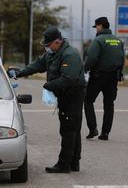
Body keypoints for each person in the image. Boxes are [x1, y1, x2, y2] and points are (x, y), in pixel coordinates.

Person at [8, 26, 85, 173]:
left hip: (73, 94)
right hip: (64, 94)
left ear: (58, 41)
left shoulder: (70, 54)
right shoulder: (53, 53)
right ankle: (73, 162)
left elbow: (69, 78)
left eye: (48, 45)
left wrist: (50, 85)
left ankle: (64, 164)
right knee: (72, 128)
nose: (47, 48)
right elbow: (37, 65)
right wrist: (19, 72)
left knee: (69, 129)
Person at [84, 17, 125, 141]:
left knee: (88, 100)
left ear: (100, 26)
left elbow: (91, 58)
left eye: (96, 26)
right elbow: (122, 59)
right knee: (109, 104)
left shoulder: (98, 40)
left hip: (98, 76)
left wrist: (85, 69)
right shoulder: (118, 41)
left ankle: (93, 128)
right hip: (113, 77)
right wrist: (120, 73)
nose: (96, 28)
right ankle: (105, 133)